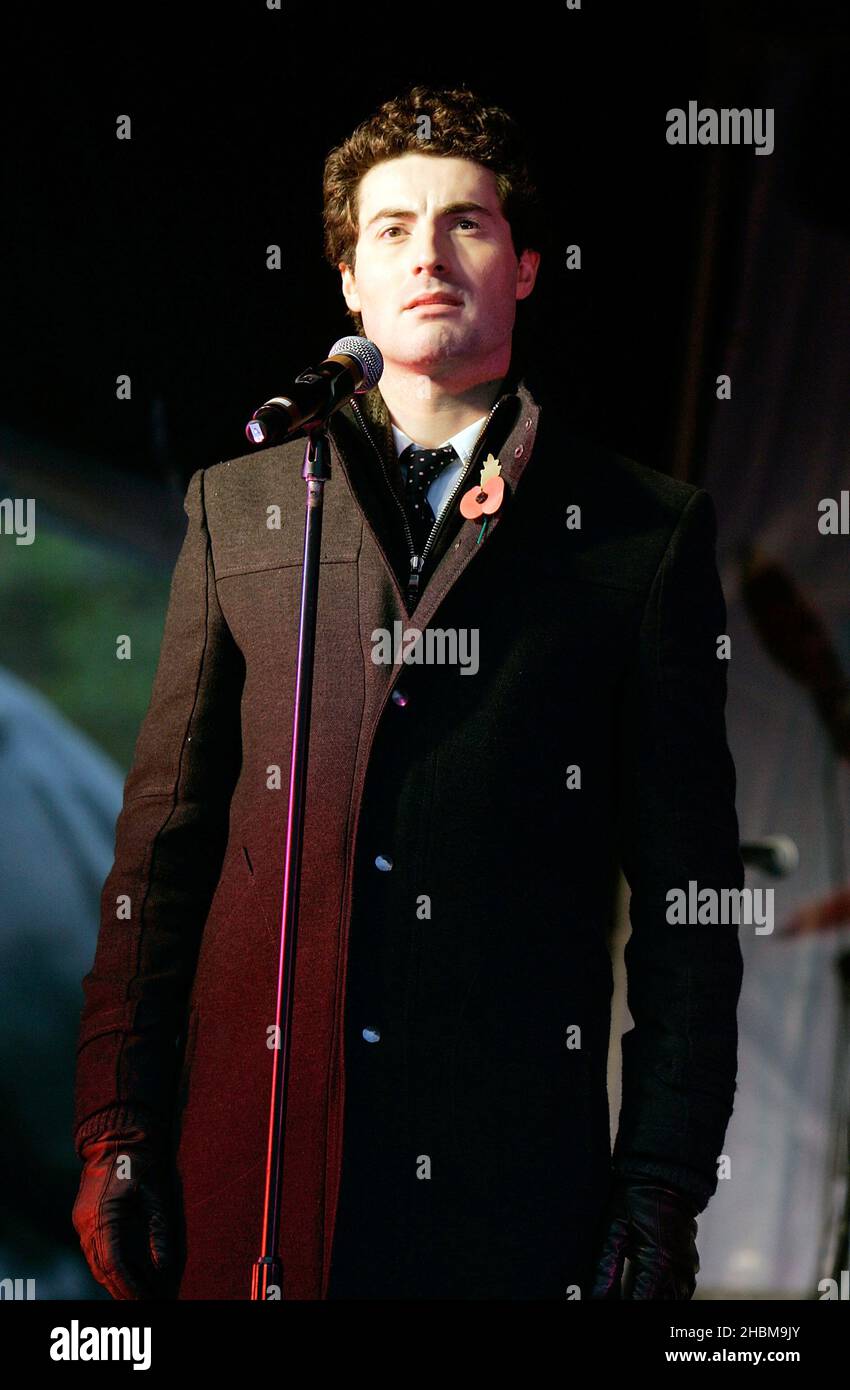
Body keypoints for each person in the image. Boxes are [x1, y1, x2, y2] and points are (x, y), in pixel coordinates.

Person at [71, 84, 744, 1301]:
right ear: (347, 282)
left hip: (502, 1203)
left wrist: (660, 1182)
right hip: (249, 1182)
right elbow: (159, 854)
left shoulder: (641, 531)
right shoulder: (243, 503)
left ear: (528, 266)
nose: (426, 254)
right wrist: (115, 1126)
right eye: (390, 229)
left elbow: (689, 902)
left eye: (467, 224)